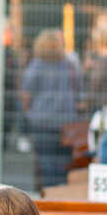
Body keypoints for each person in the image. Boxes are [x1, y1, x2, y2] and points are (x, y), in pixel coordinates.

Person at [21, 29, 79, 187]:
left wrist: (27, 111)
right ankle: (61, 190)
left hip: (41, 120)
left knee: (45, 160)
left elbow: (26, 93)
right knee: (64, 162)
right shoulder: (68, 65)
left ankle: (49, 191)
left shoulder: (36, 66)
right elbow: (78, 90)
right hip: (65, 121)